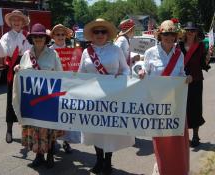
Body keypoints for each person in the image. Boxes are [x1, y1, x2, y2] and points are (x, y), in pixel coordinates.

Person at [78, 18, 134, 175]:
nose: (100, 34)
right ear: (92, 34)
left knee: (108, 129)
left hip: (111, 96)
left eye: (103, 31)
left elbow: (126, 70)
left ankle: (108, 161)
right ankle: (99, 160)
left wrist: (119, 78)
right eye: (96, 32)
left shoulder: (115, 50)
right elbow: (81, 74)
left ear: (108, 34)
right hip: (92, 97)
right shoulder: (86, 52)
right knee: (95, 129)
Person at [138, 20, 193, 175]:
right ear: (160, 35)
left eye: (172, 34)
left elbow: (181, 74)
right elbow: (143, 68)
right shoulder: (150, 53)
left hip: (175, 104)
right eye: (166, 34)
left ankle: (178, 169)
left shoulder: (179, 54)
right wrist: (141, 72)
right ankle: (162, 168)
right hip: (157, 104)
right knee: (161, 140)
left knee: (175, 139)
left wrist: (187, 77)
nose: (169, 37)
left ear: (176, 36)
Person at [14, 23, 63, 168]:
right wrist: (18, 68)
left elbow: (60, 76)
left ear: (46, 38)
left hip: (49, 99)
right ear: (31, 38)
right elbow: (22, 73)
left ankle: (50, 156)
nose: (38, 39)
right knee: (36, 128)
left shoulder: (53, 54)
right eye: (35, 36)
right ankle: (38, 155)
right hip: (33, 101)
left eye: (41, 36)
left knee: (49, 129)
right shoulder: (27, 55)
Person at [0, 10, 31, 144]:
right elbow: (1, 54)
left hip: (25, 69)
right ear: (11, 22)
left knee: (25, 101)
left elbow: (31, 53)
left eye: (19, 20)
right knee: (11, 100)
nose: (16, 22)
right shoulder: (6, 36)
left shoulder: (27, 36)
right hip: (11, 70)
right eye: (14, 20)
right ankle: (9, 130)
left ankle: (26, 133)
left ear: (22, 22)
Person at [179, 21, 212, 147]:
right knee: (182, 109)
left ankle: (196, 136)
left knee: (196, 108)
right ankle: (183, 136)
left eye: (193, 31)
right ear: (185, 32)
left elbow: (203, 65)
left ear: (196, 32)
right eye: (188, 30)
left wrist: (207, 58)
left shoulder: (200, 46)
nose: (190, 33)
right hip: (181, 81)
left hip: (196, 81)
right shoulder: (179, 46)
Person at [49, 24, 79, 153]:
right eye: (58, 35)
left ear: (66, 36)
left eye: (62, 35)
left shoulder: (72, 50)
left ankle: (66, 141)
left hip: (67, 87)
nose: (60, 37)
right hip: (53, 87)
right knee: (54, 114)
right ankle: (53, 140)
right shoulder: (48, 50)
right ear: (53, 36)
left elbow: (76, 70)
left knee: (66, 115)